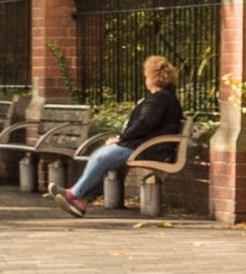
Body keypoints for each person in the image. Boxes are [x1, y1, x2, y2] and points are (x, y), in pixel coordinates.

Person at [56, 55, 186, 214]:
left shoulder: (160, 99)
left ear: (153, 77)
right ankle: (80, 199)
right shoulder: (161, 98)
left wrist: (121, 138)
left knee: (102, 157)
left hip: (150, 149)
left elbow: (144, 124)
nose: (145, 79)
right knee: (102, 155)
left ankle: (74, 195)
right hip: (145, 146)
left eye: (146, 75)